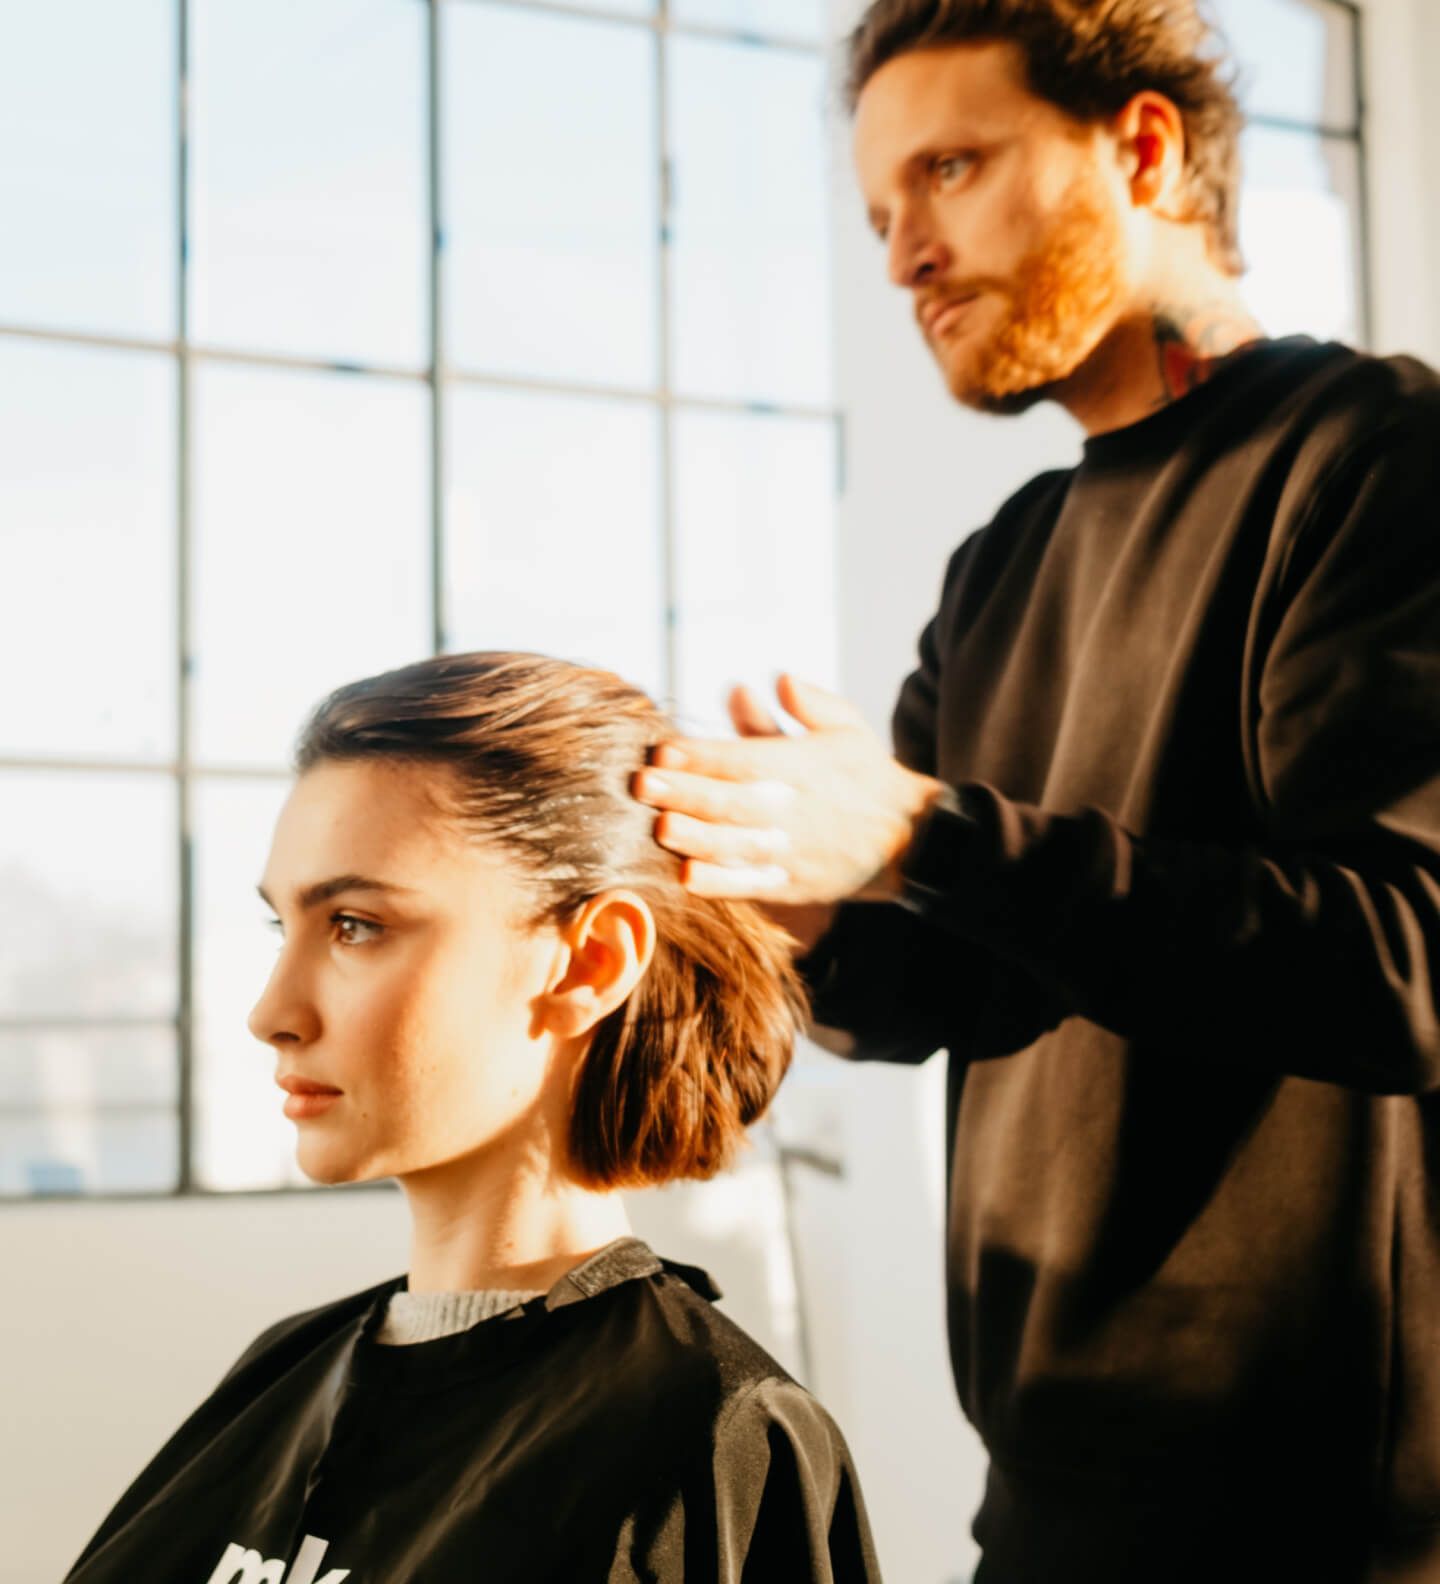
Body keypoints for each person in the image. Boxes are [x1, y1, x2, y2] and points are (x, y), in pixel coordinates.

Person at [629, 2, 1440, 1579]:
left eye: (950, 168)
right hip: (1048, 1497)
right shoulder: (996, 572)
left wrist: (924, 832)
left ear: (1139, 149)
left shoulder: (1375, 456)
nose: (903, 255)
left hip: (1335, 1532)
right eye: (880, 210)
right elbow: (942, 990)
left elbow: (1405, 963)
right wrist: (825, 911)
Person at [62, 651, 881, 1584]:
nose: (271, 1012)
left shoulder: (714, 1431)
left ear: (588, 963)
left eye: (355, 926)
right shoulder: (284, 1368)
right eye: (280, 927)